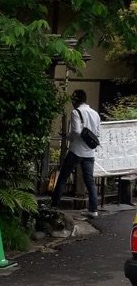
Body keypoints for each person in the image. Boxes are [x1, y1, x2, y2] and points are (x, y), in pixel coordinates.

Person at [50, 89, 102, 217]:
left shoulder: (76, 112)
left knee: (63, 177)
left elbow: (76, 131)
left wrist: (67, 137)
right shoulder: (95, 114)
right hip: (90, 153)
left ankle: (54, 205)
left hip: (76, 151)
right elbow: (98, 134)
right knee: (90, 181)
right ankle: (93, 210)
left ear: (75, 100)